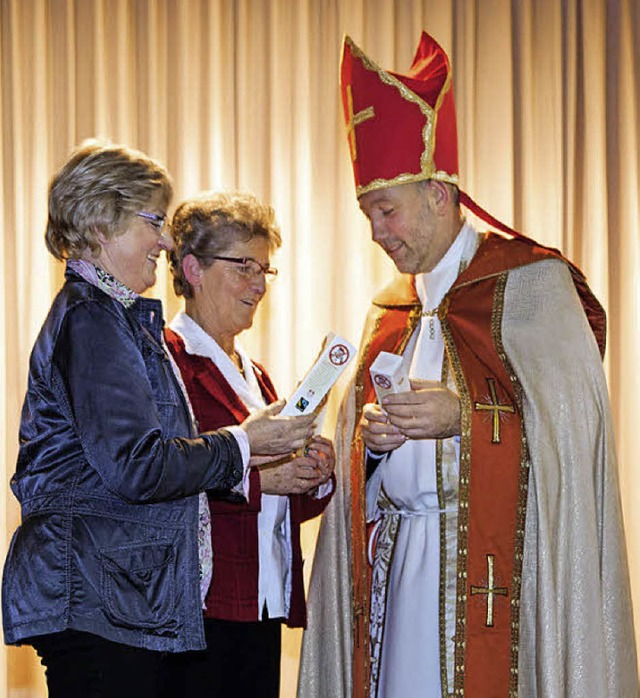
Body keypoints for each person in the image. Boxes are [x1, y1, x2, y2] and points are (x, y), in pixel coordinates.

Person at [298, 32, 638, 697]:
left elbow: (575, 440)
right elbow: (355, 476)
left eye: (387, 211)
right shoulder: (389, 314)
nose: (378, 234)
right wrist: (369, 445)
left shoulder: (532, 287)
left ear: (442, 193)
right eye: (368, 217)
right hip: (402, 579)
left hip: (503, 595)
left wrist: (466, 417)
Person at [1, 140, 317, 698]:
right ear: (102, 224)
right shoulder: (93, 317)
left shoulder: (109, 316)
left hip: (112, 594)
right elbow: (138, 465)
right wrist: (243, 443)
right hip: (97, 594)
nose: (166, 241)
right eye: (153, 221)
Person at [160, 191, 335, 698]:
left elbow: (277, 498)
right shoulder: (167, 361)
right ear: (192, 269)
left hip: (261, 598)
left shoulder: (254, 375)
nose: (259, 285)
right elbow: (157, 481)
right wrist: (262, 479)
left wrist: (312, 474)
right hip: (200, 605)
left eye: (265, 270)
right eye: (244, 267)